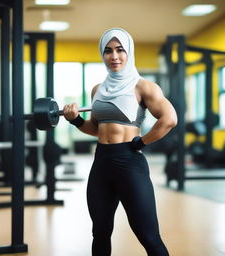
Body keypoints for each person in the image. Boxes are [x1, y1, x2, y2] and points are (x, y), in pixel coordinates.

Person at [63, 28, 177, 256]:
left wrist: (140, 143)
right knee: (100, 232)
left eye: (120, 50)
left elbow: (169, 119)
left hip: (129, 163)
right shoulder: (98, 89)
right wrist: (76, 120)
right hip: (101, 164)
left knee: (148, 235)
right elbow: (96, 129)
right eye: (108, 51)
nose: (114, 56)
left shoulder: (143, 86)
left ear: (129, 52)